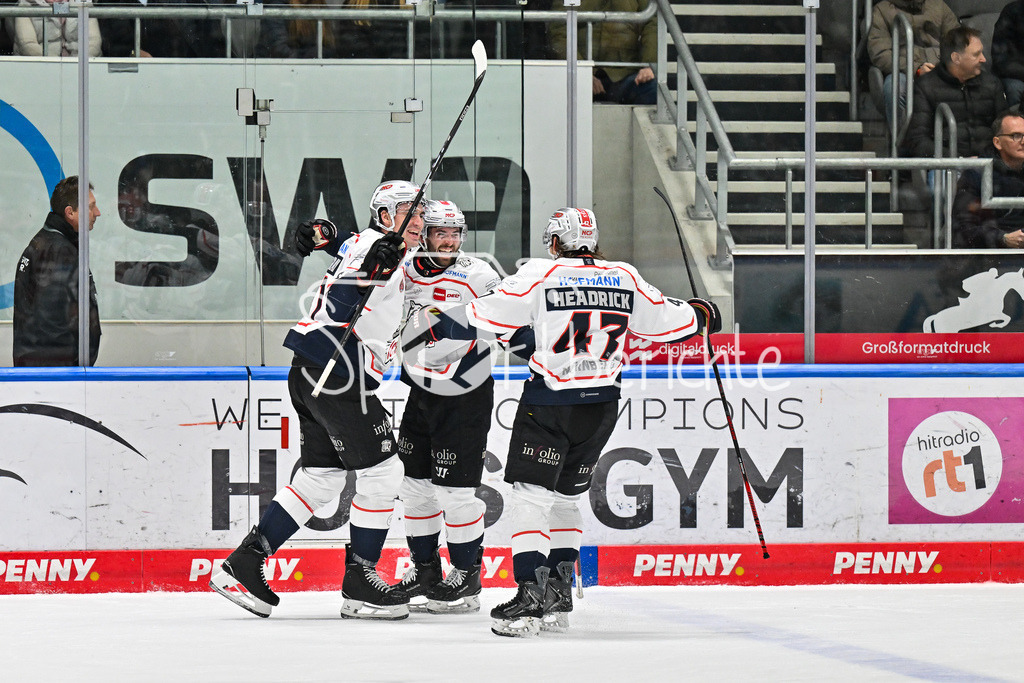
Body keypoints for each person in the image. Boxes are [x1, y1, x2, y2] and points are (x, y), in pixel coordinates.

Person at [403, 207, 720, 636]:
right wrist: (702, 313)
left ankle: (530, 596)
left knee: (531, 498)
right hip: (602, 404)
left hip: (551, 401)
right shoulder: (624, 276)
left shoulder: (541, 273)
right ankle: (559, 594)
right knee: (566, 499)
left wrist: (438, 325)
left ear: (554, 242)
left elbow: (484, 314)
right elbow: (672, 321)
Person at [209, 180, 424, 620]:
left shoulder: (377, 246)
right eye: (410, 212)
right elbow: (344, 297)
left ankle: (244, 562)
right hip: (336, 371)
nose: (419, 220)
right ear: (386, 216)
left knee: (322, 477)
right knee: (383, 472)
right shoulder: (377, 250)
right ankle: (361, 581)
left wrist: (329, 233)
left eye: (421, 212)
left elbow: (349, 245)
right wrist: (370, 269)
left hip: (313, 368)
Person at [392, 200, 505, 614]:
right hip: (420, 392)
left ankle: (466, 578)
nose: (450, 242)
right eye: (441, 233)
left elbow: (507, 319)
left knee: (456, 492)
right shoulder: (404, 269)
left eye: (456, 233)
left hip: (465, 396)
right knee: (414, 486)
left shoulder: (479, 274)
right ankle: (426, 572)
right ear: (424, 234)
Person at [14, 176, 102, 367]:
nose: (98, 212)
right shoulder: (58, 252)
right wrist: (70, 373)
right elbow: (53, 327)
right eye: (91, 207)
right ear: (70, 212)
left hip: (46, 369)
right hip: (55, 373)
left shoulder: (49, 242)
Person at [907, 26, 1007, 159]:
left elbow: (1005, 132)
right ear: (956, 58)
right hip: (946, 165)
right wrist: (958, 160)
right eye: (976, 54)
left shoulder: (992, 84)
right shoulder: (926, 86)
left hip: (989, 163)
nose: (983, 59)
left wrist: (987, 159)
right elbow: (918, 140)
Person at [866, 0, 959, 126]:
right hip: (904, 71)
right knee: (895, 88)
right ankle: (902, 137)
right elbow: (880, 54)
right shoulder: (881, 10)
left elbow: (957, 44)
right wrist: (917, 69)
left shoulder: (939, 6)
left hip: (940, 67)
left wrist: (942, 68)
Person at [549, 0, 657, 105]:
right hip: (577, 76)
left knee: (653, 89)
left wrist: (648, 65)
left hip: (625, 74)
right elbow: (559, 30)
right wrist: (582, 71)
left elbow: (651, 24)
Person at [953, 110, 1024, 248]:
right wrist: (1003, 238)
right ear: (997, 142)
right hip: (988, 255)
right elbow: (963, 228)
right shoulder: (975, 174)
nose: (1023, 141)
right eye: (1016, 136)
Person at [11, 0, 102, 56]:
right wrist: (55, 65)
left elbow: (94, 42)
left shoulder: (84, 2)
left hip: (82, 68)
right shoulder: (25, 4)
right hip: (38, 68)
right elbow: (27, 45)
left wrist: (75, 65)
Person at [992, 0, 1024, 110]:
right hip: (1014, 73)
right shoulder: (1012, 12)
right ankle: (1016, 119)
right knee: (1015, 89)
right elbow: (1000, 59)